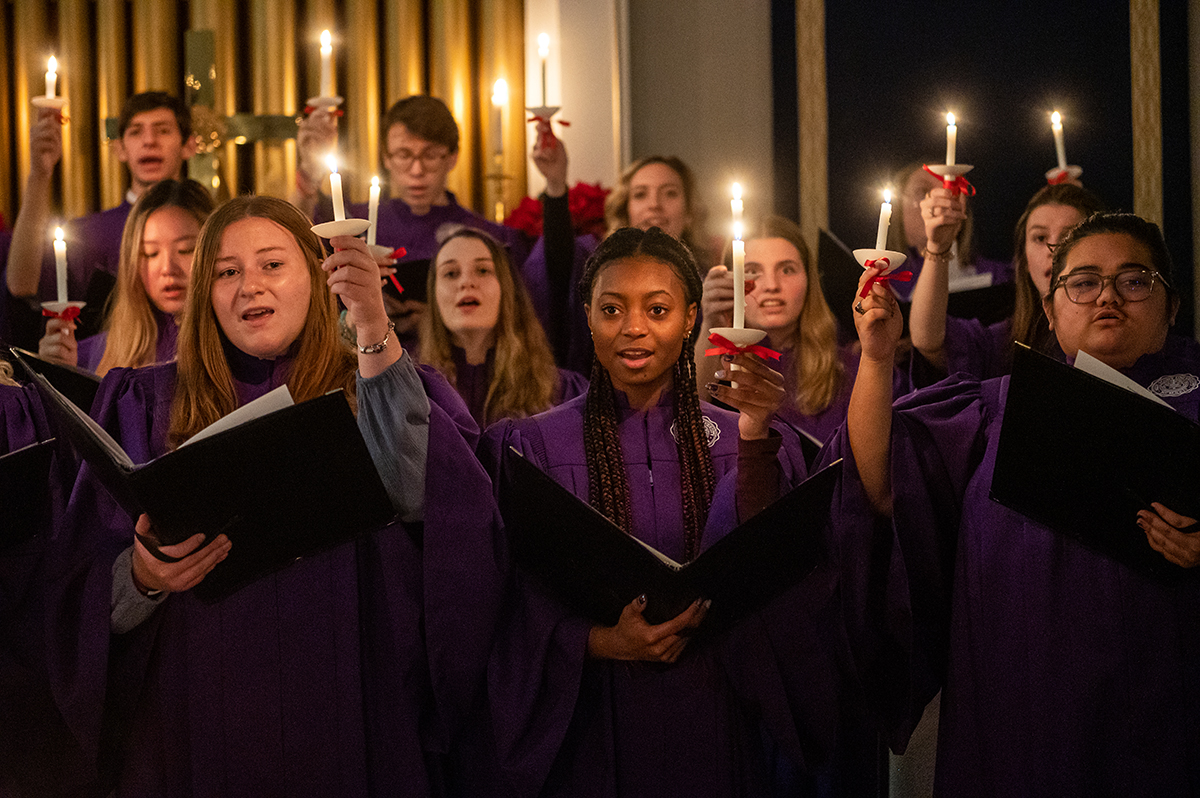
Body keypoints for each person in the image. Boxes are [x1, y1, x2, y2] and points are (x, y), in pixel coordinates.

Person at [43, 196, 500, 794]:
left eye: (271, 265)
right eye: (227, 272)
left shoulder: (383, 384)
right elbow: (74, 594)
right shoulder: (143, 404)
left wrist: (372, 330)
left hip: (350, 711)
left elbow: (439, 515)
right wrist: (143, 577)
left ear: (318, 276)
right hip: (195, 722)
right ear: (205, 293)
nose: (248, 287)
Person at [481, 226, 891, 796]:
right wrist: (599, 640)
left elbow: (777, 574)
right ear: (587, 317)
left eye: (657, 308)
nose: (634, 328)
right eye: (611, 308)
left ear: (692, 318)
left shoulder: (733, 434)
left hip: (715, 711)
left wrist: (754, 437)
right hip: (595, 718)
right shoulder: (535, 447)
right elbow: (507, 601)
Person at [845, 211, 1200, 795]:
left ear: (1171, 306)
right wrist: (879, 359)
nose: (1107, 296)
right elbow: (882, 485)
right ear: (1052, 312)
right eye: (1083, 283)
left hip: (1170, 710)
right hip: (1027, 715)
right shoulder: (991, 411)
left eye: (1135, 280)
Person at [297, 96, 529, 347]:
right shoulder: (353, 223)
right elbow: (298, 240)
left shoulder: (486, 236)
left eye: (430, 155)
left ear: (452, 157)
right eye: (404, 155)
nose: (417, 170)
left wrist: (437, 318)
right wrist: (309, 171)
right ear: (386, 158)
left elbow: (515, 317)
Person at [694, 214, 905, 446]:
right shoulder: (718, 369)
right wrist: (710, 326)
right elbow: (686, 419)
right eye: (752, 271)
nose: (772, 286)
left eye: (786, 270)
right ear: (729, 283)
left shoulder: (851, 368)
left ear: (808, 280)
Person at [6, 92, 196, 339]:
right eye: (136, 131)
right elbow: (21, 287)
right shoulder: (86, 235)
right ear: (119, 148)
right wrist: (39, 175)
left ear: (189, 145)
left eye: (163, 130)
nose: (150, 141)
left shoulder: (207, 225)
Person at [522, 131, 714, 374]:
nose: (654, 204)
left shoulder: (707, 284)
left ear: (689, 213)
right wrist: (556, 185)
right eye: (640, 194)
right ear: (626, 209)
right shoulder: (596, 267)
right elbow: (558, 269)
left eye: (670, 193)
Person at [909, 182, 1105, 380]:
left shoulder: (1116, 325)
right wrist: (938, 245)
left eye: (1069, 237)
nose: (1052, 250)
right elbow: (928, 339)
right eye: (1039, 238)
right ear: (1024, 260)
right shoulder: (1005, 342)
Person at [36, 179, 214, 375]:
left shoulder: (238, 345)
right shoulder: (95, 353)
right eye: (150, 253)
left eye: (185, 249)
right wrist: (59, 372)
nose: (167, 268)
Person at [419, 226, 586, 428]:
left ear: (506, 288)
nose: (466, 282)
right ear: (433, 294)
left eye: (482, 270)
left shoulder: (564, 392)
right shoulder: (413, 388)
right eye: (451, 273)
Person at [885, 163, 1011, 301]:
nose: (940, 200)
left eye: (951, 189)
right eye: (922, 191)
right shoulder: (881, 282)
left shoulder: (1000, 277)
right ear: (898, 211)